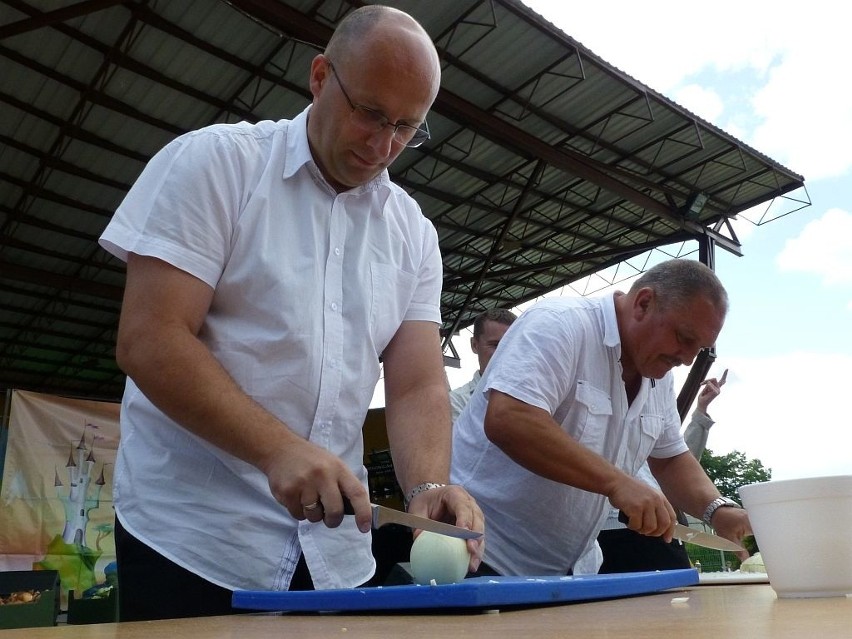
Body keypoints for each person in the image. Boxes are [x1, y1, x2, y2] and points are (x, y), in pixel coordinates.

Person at [98, 5, 483, 621]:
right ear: (320, 76)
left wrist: (430, 487)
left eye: (407, 128)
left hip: (336, 557)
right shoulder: (216, 164)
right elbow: (150, 338)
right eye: (371, 114)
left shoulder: (412, 232)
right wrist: (276, 448)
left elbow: (415, 383)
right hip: (196, 541)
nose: (383, 146)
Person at [451, 259, 752, 577]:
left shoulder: (658, 376)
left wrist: (717, 510)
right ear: (643, 303)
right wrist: (617, 482)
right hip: (479, 555)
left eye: (700, 349)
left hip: (565, 572)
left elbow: (669, 459)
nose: (688, 359)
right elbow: (510, 418)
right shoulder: (559, 325)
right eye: (684, 337)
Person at [596, 372, 727, 573]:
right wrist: (616, 484)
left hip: (660, 529)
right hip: (606, 531)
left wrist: (718, 510)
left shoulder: (659, 387)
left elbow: (676, 458)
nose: (684, 357)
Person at [449, 309, 517, 422]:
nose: (504, 352)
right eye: (495, 345)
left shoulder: (536, 394)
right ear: (474, 345)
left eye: (510, 345)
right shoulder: (455, 402)